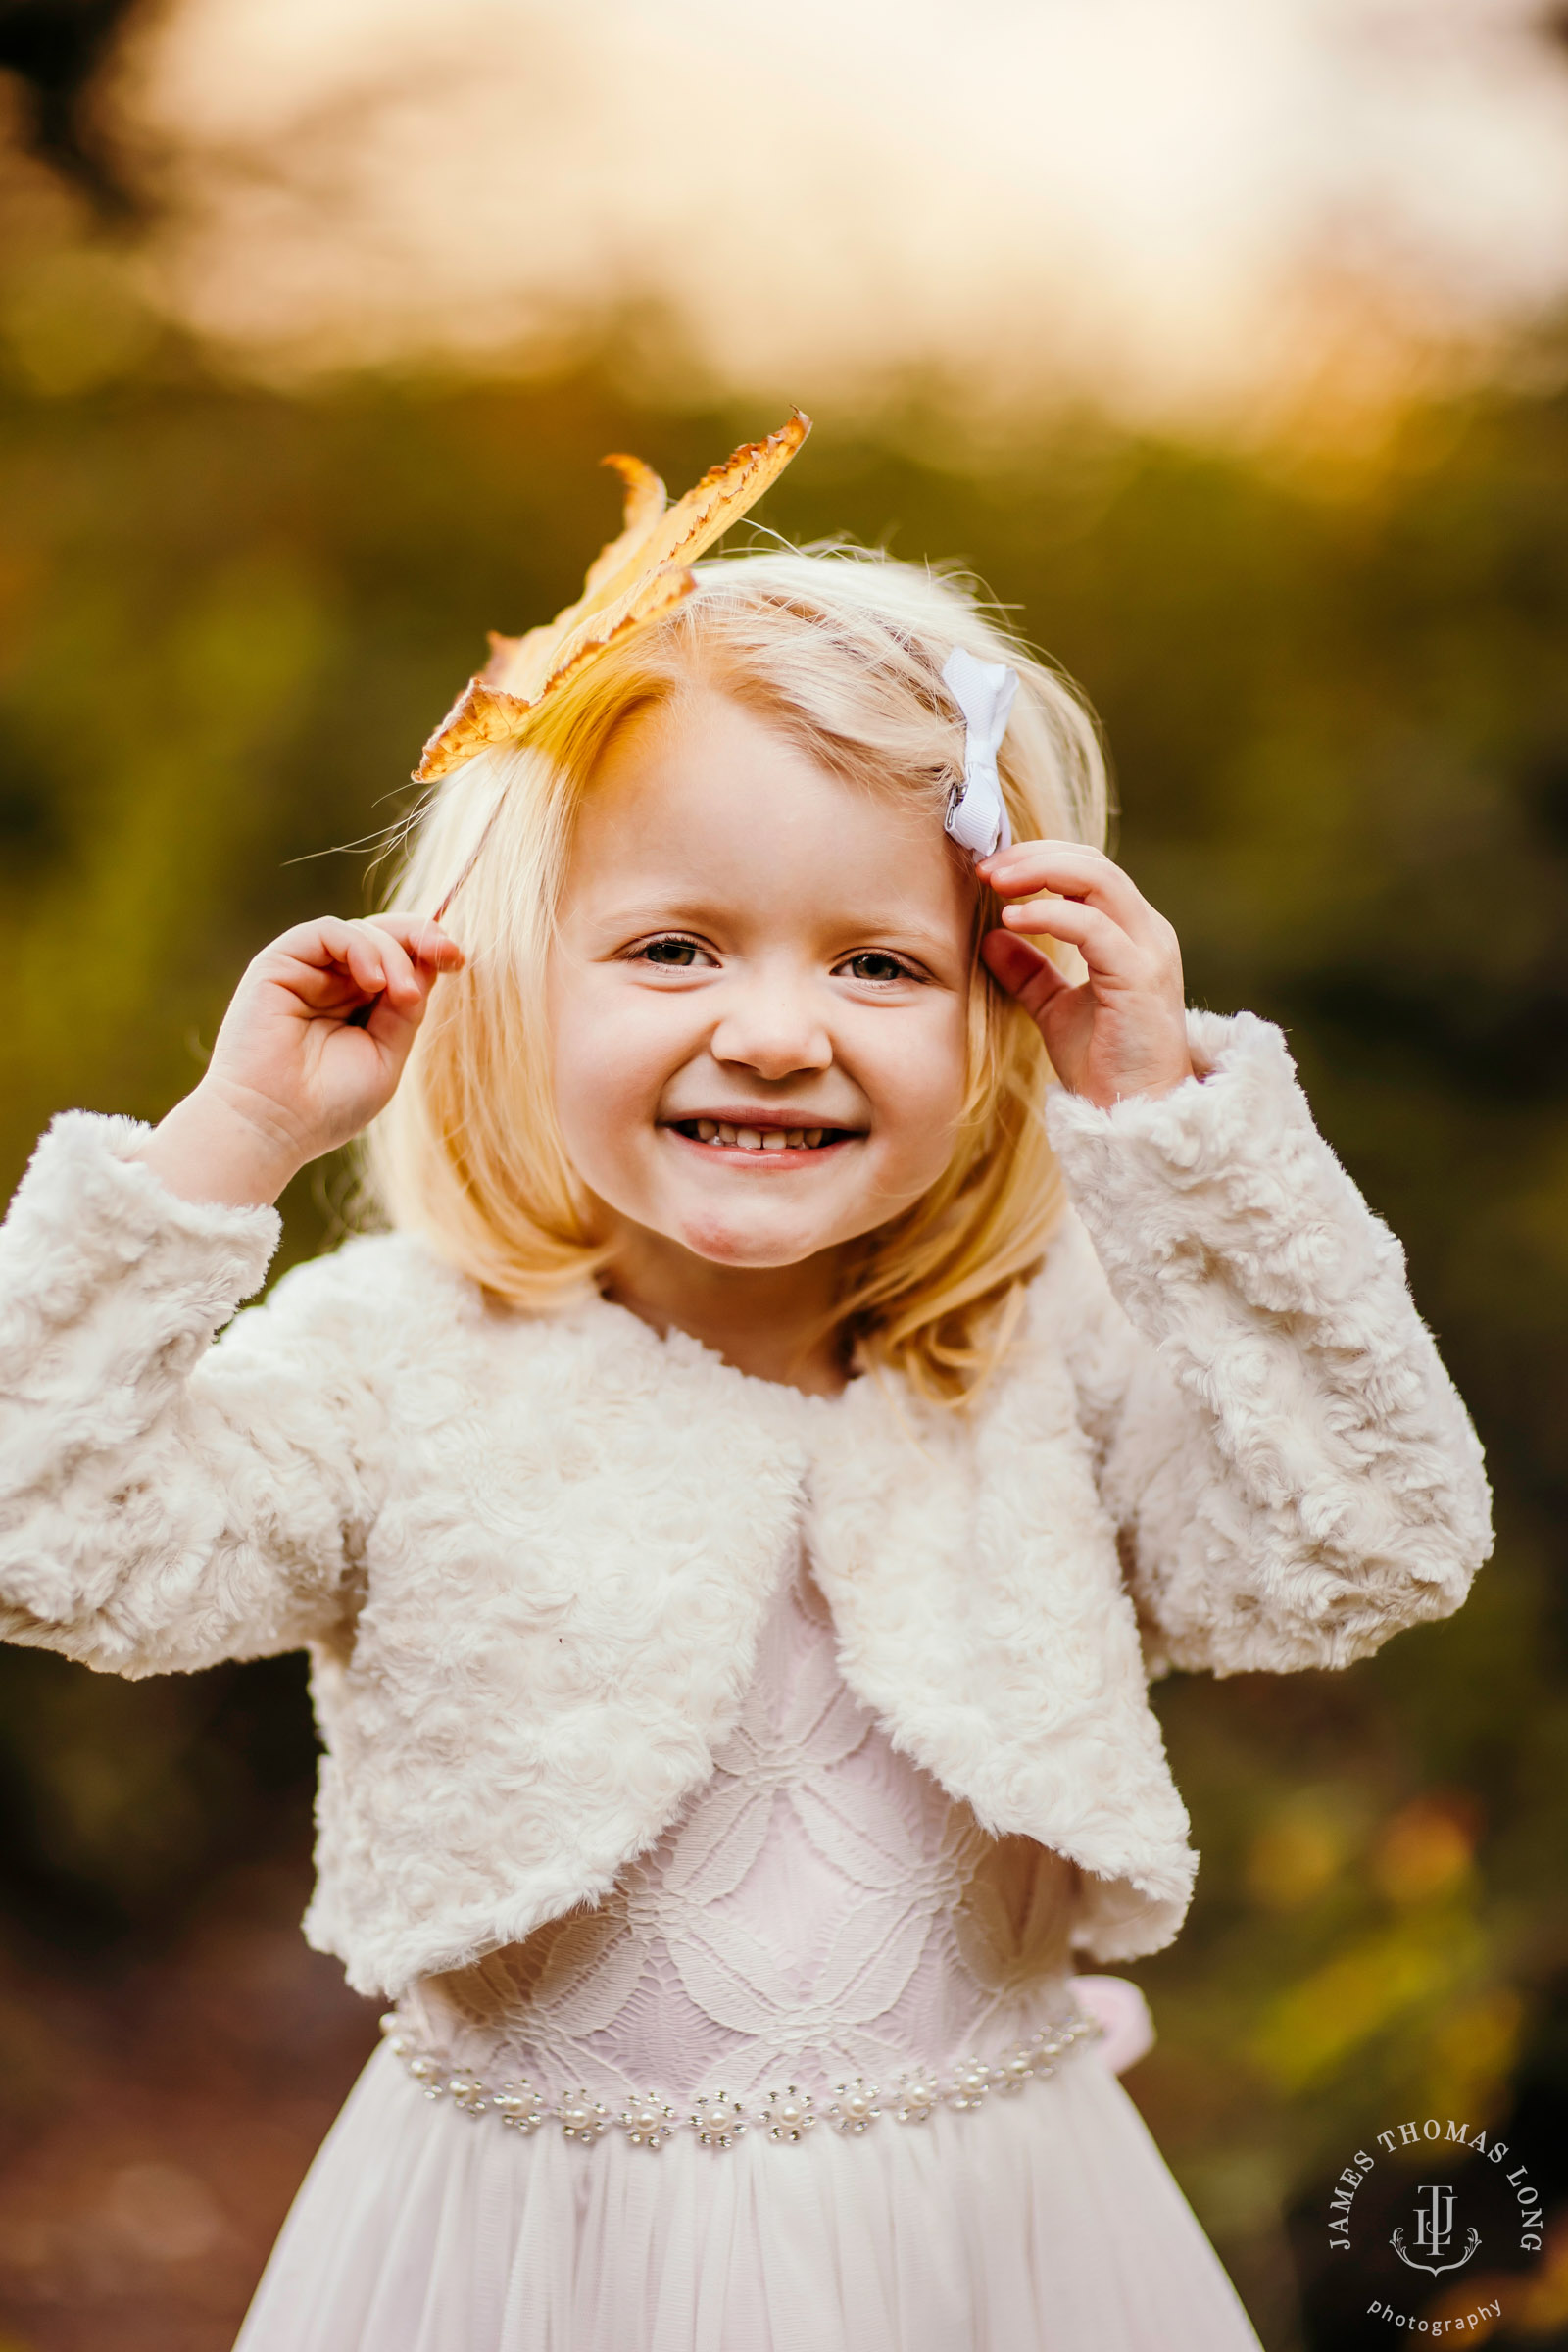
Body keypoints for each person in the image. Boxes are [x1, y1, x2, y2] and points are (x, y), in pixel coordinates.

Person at [0, 417, 1492, 2352]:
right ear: (508, 971)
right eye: (675, 945)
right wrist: (220, 1148)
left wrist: (1174, 1129)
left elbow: (1366, 1544)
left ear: (1004, 1004)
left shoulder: (1043, 1362)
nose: (774, 1032)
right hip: (532, 2261)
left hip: (987, 2244)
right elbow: (47, 1540)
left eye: (878, 963)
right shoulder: (396, 1362)